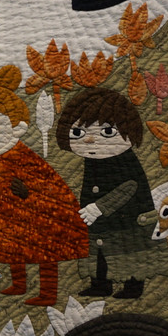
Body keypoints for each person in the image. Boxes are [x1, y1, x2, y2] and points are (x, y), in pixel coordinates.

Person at [0, 65, 89, 307]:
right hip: (14, 214)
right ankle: (19, 284)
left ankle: (48, 293)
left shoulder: (21, 156)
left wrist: (27, 194)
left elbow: (48, 186)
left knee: (45, 250)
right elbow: (3, 195)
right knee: (13, 243)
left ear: (18, 128)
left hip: (43, 215)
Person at [58, 87, 156, 299]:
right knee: (99, 250)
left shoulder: (123, 159)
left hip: (128, 219)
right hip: (100, 220)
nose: (89, 140)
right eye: (78, 133)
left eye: (107, 132)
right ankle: (100, 284)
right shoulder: (93, 159)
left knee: (129, 251)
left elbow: (129, 187)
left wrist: (99, 207)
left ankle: (133, 287)